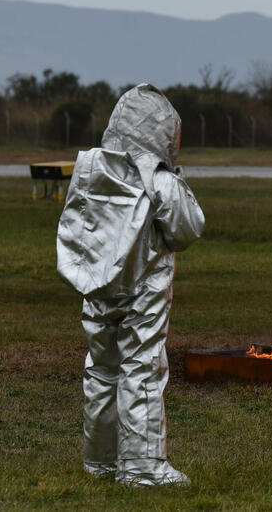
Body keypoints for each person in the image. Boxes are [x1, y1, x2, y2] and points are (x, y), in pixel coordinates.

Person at [56, 84, 205, 487]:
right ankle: (142, 468)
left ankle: (100, 460)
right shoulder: (157, 179)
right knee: (141, 369)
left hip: (98, 288)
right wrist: (172, 179)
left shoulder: (92, 169)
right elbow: (189, 227)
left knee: (102, 370)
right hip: (144, 289)